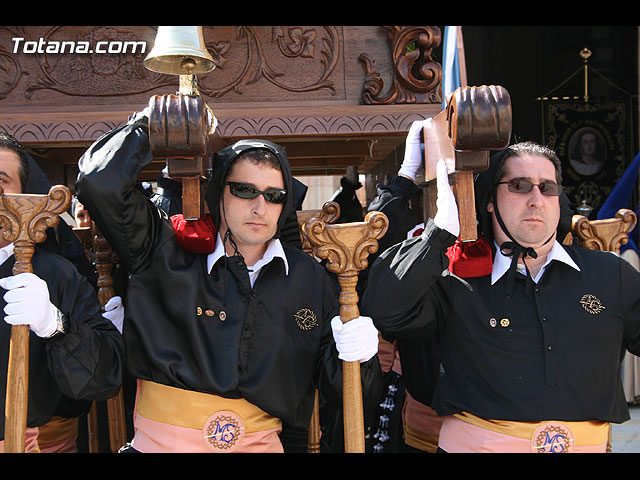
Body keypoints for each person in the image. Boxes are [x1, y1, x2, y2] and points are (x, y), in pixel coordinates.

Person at [75, 111, 383, 453]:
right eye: (243, 190)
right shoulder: (164, 250)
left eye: (274, 195)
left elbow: (343, 390)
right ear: (218, 192)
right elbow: (97, 183)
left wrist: (360, 357)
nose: (259, 206)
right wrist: (152, 124)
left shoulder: (307, 277)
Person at [362, 126, 640, 453]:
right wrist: (437, 236)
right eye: (519, 186)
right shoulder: (454, 278)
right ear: (491, 200)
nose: (536, 199)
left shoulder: (610, 273)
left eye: (547, 188)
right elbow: (383, 309)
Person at [0, 132, 125, 452]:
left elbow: (102, 379)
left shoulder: (54, 273)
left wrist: (55, 324)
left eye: (1, 182)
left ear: (23, 196)